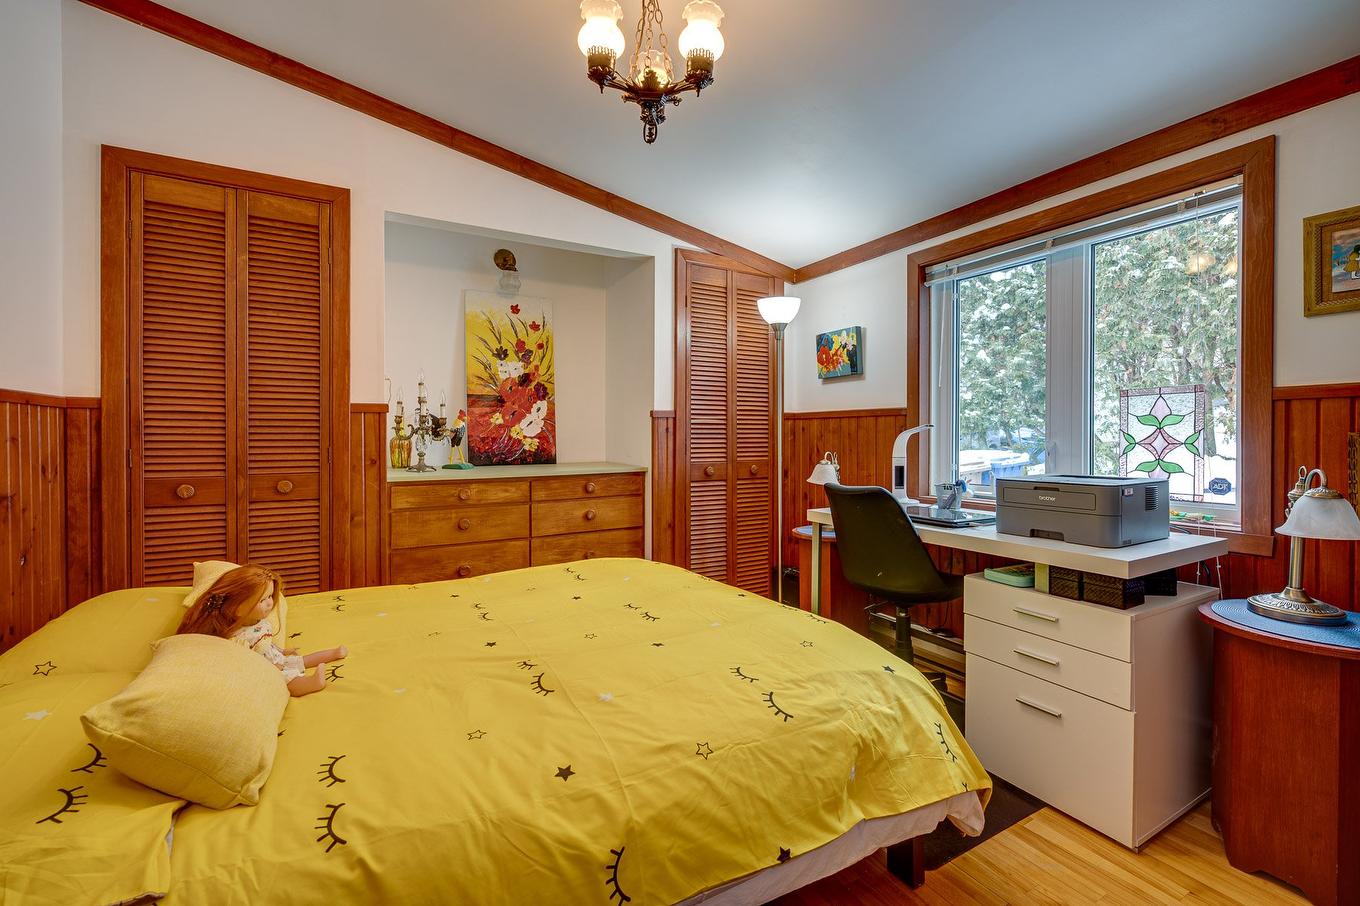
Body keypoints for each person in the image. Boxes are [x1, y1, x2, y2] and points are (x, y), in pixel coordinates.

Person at [178, 565, 346, 697]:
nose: (270, 604)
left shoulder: (258, 622)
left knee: (300, 660)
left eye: (270, 597)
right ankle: (312, 683)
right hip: (270, 667)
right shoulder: (237, 638)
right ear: (236, 608)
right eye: (263, 600)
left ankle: (333, 654)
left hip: (277, 657)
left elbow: (266, 641)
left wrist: (283, 651)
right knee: (289, 679)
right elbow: (247, 663)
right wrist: (272, 667)